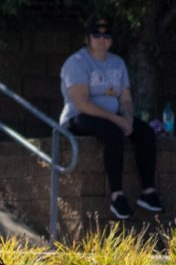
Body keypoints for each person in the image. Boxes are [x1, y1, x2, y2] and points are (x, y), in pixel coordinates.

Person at [59, 17, 164, 220]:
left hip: (111, 116)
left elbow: (125, 99)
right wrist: (117, 121)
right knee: (113, 133)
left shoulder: (118, 63)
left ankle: (148, 192)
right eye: (96, 35)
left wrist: (128, 118)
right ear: (88, 38)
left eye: (106, 36)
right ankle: (117, 196)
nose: (101, 39)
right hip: (78, 117)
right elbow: (82, 102)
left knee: (146, 133)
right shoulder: (77, 62)